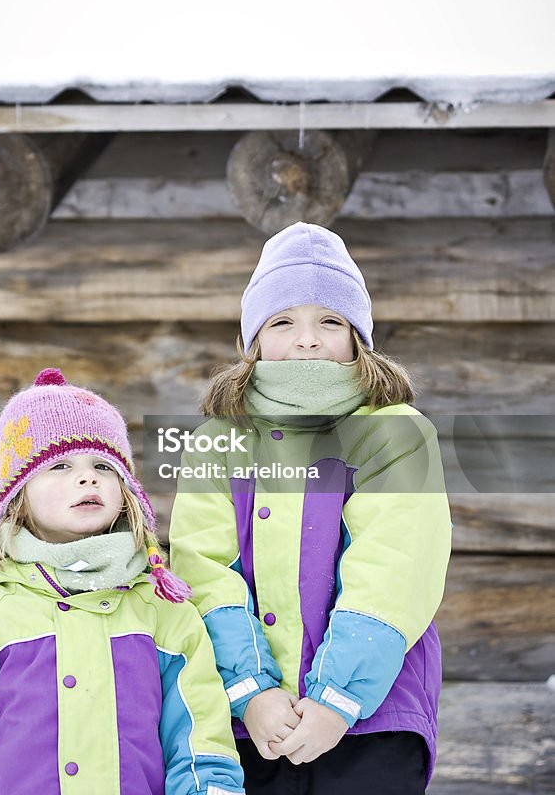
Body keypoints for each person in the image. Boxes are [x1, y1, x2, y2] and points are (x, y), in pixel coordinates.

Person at [169, 222, 452, 794]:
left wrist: (336, 699)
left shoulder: (396, 434)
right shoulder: (216, 440)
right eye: (282, 321)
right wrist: (250, 688)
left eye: (329, 320)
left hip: (372, 718)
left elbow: (396, 565)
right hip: (249, 723)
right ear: (254, 342)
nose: (307, 339)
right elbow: (199, 568)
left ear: (357, 338)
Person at [0, 367, 245, 795]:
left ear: (126, 491)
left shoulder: (165, 613)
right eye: (59, 465)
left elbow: (201, 746)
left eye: (103, 464)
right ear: (17, 497)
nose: (87, 477)